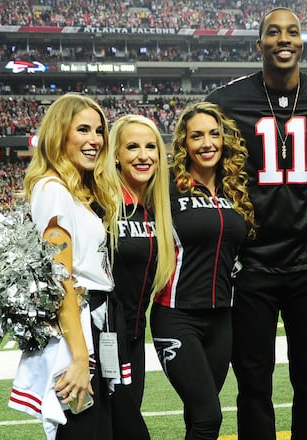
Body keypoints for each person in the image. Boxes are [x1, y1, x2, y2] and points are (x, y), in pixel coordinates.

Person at [205, 7, 307, 439]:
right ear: (259, 45)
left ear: (302, 43)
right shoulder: (225, 101)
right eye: (273, 32)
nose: (283, 39)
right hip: (251, 264)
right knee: (253, 381)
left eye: (292, 32)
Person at [19, 93, 134, 439]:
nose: (95, 140)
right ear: (59, 134)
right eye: (82, 129)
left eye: (99, 131)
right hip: (79, 327)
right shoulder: (53, 189)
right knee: (84, 431)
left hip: (96, 321)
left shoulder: (73, 191)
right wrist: (80, 357)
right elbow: (60, 280)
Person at [150, 101, 256, 439]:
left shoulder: (233, 190)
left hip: (222, 319)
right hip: (176, 315)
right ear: (184, 142)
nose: (207, 143)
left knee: (198, 417)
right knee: (210, 418)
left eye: (214, 134)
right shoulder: (166, 188)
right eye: (197, 136)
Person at [108, 114, 176, 436]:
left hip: (135, 337)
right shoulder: (100, 203)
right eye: (132, 147)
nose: (143, 155)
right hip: (104, 338)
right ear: (116, 155)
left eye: (151, 147)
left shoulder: (155, 206)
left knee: (126, 421)